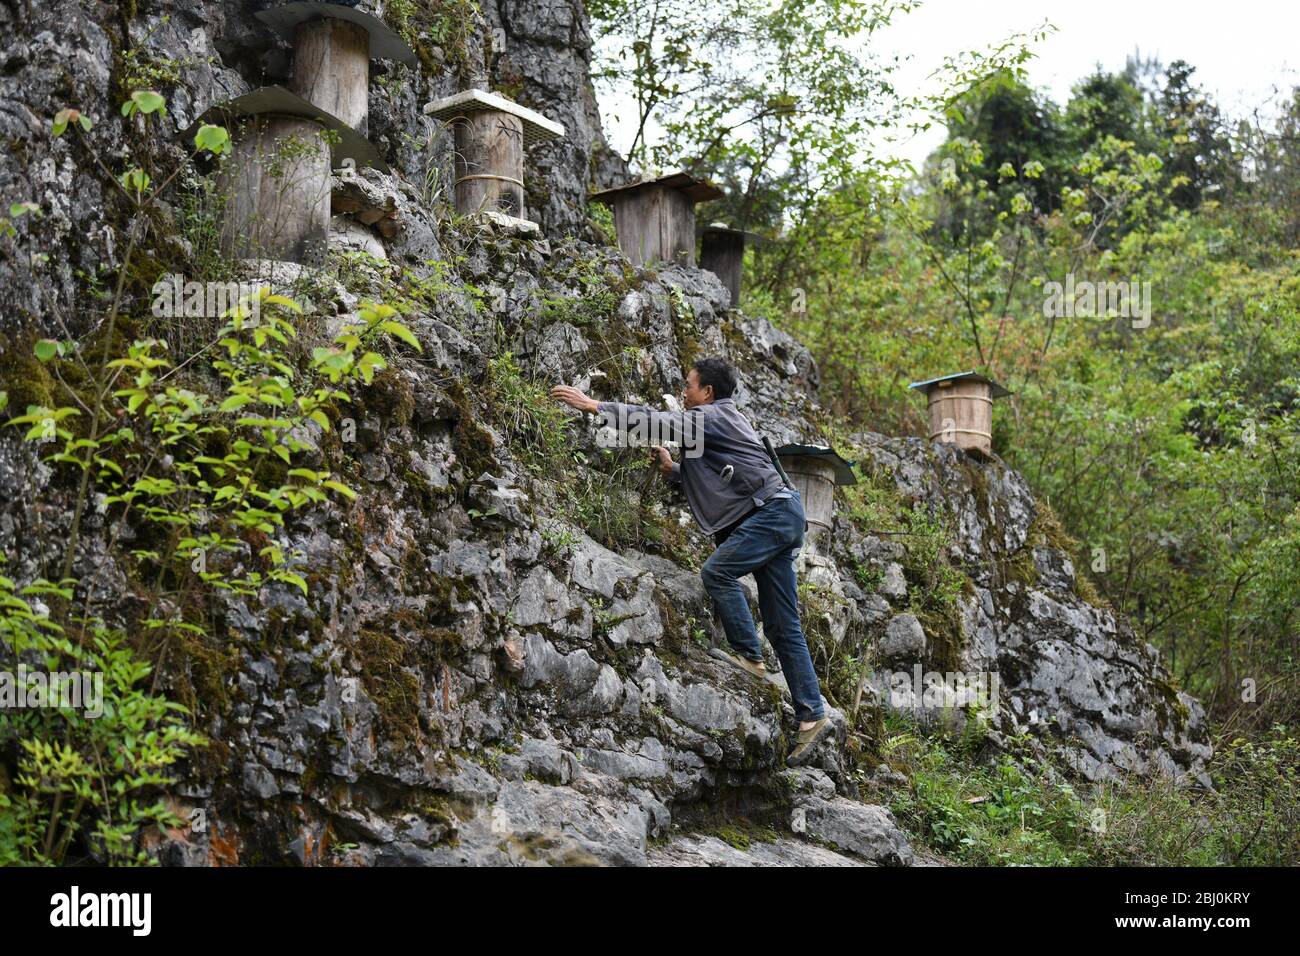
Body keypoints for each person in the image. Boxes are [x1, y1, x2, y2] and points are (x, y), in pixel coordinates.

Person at [550, 356, 834, 766]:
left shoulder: (714, 415)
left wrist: (595, 406)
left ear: (708, 393)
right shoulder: (717, 424)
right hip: (777, 514)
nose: (684, 391)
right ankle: (812, 715)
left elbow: (660, 423)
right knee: (782, 623)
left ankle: (749, 656)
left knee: (716, 571)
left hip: (771, 513)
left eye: (689, 385)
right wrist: (674, 471)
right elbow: (723, 473)